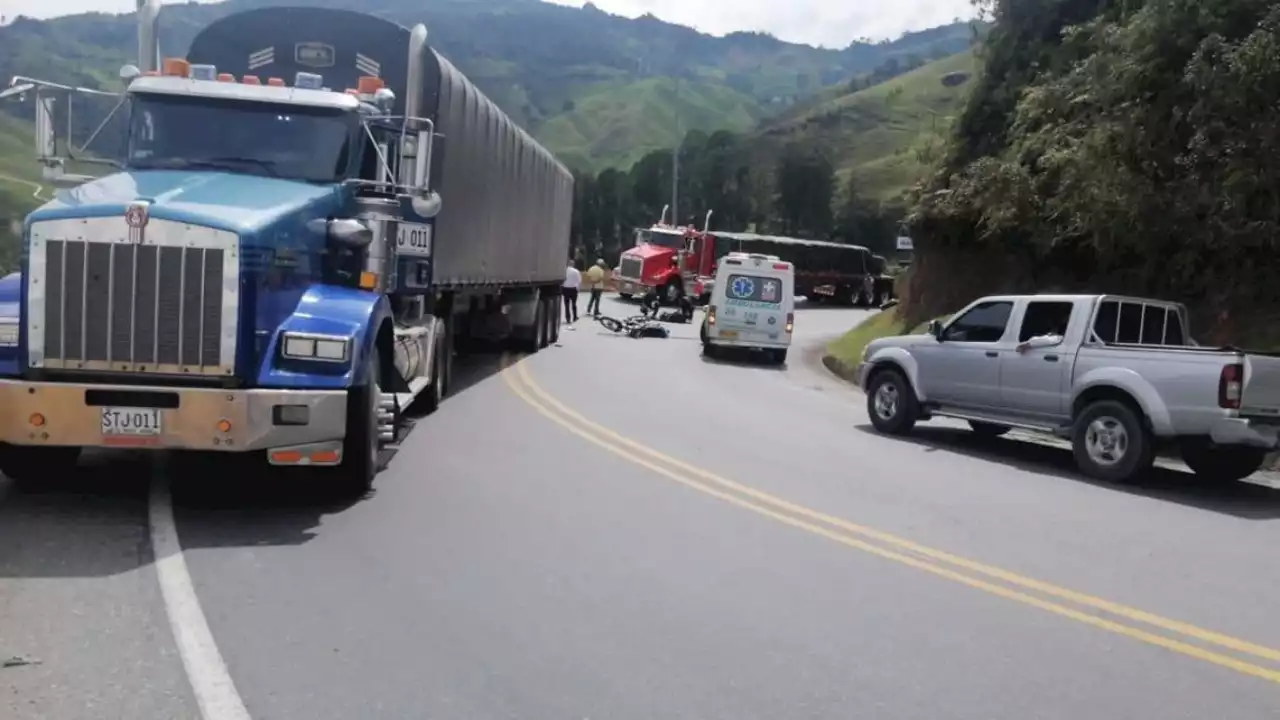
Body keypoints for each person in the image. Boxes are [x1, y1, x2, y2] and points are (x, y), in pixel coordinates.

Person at [562, 260, 582, 327]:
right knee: (574, 304)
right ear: (573, 264)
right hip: (573, 289)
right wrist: (578, 288)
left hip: (565, 288)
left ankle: (568, 318)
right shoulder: (576, 271)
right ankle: (575, 316)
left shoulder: (564, 271)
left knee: (566, 304)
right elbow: (579, 281)